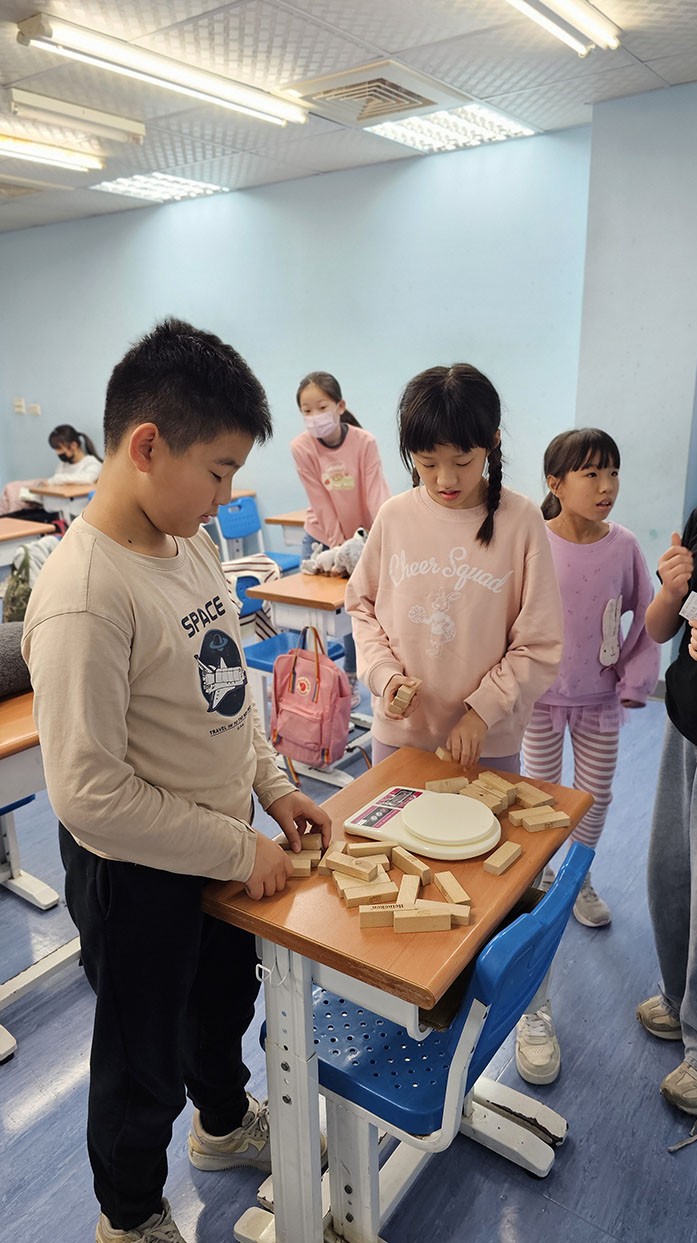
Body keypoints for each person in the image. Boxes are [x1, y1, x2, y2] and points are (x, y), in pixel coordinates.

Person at [22, 319, 331, 1243]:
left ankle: (223, 1125)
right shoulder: (86, 594)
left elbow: (228, 693)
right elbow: (89, 795)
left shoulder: (185, 539)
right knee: (141, 1059)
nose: (227, 496)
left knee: (219, 1006)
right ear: (148, 447)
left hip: (218, 841)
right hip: (136, 870)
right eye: (219, 471)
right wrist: (237, 845)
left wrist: (273, 789)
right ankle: (129, 1216)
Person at [516, 428, 658, 1087]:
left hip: (600, 698)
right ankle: (545, 878)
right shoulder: (534, 542)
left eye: (613, 473)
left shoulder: (624, 546)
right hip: (542, 699)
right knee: (540, 797)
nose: (606, 487)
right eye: (591, 474)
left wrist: (634, 678)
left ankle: (580, 878)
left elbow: (646, 618)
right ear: (556, 482)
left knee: (594, 796)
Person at [345, 362, 563, 775]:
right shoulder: (394, 517)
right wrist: (384, 676)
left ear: (492, 442)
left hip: (487, 737)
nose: (445, 479)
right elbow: (362, 608)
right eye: (427, 463)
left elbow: (539, 642)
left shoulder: (521, 521)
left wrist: (483, 712)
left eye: (462, 462)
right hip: (400, 733)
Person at [637, 518, 697, 1115]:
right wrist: (672, 590)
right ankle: (680, 998)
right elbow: (660, 630)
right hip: (686, 722)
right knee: (670, 871)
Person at [291, 371, 391, 706]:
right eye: (306, 411)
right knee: (311, 620)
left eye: (321, 407)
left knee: (354, 613)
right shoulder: (302, 447)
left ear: (340, 406)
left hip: (360, 540)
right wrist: (338, 551)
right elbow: (320, 502)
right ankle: (307, 683)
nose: (314, 416)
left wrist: (383, 538)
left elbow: (377, 495)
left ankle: (349, 675)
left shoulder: (364, 442)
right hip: (321, 541)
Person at [0, 423, 102, 520]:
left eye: (59, 448)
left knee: (19, 521)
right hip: (52, 509)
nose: (57, 452)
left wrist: (56, 480)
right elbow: (55, 488)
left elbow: (87, 479)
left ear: (73, 445)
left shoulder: (92, 463)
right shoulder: (63, 465)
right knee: (9, 518)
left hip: (70, 513)